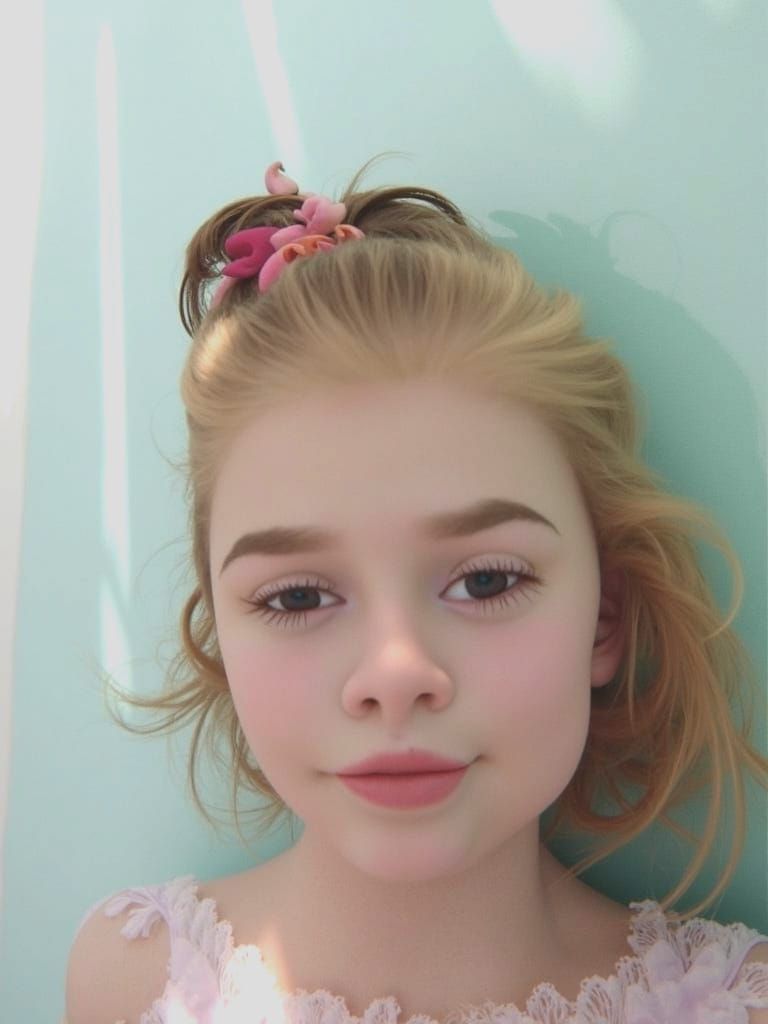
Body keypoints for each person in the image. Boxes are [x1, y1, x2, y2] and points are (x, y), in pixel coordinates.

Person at [64, 156, 768, 1024]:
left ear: (605, 620)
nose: (395, 674)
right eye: (295, 598)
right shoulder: (130, 979)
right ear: (219, 632)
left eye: (486, 579)